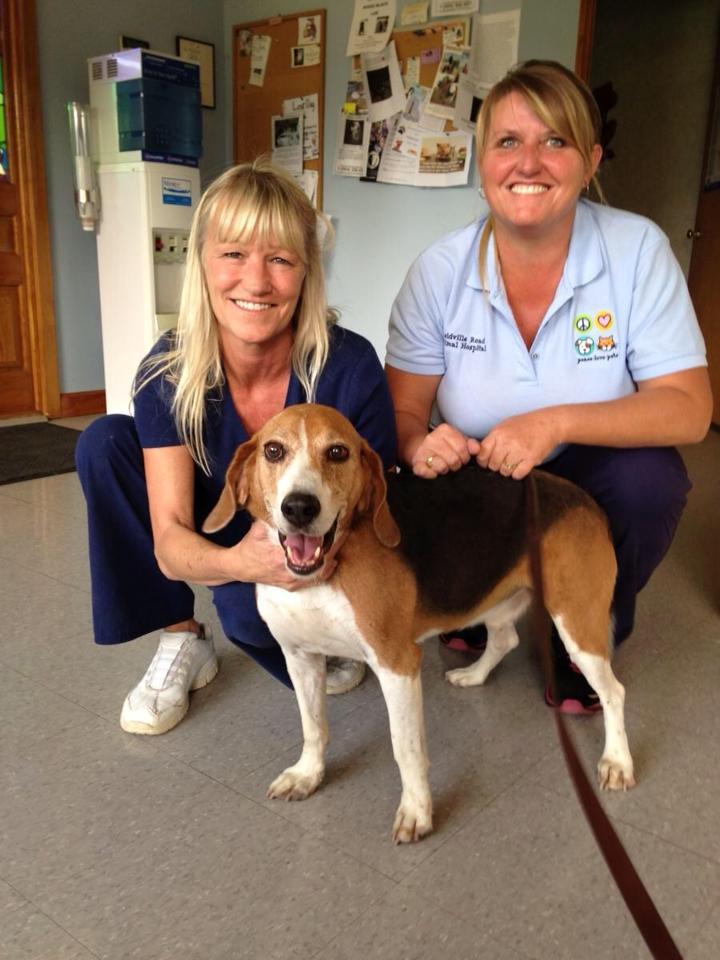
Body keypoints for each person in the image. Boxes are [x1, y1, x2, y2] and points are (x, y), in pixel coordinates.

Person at [385, 60, 712, 713]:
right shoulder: (438, 270)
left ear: (590, 162)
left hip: (592, 461)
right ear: (482, 162)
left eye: (554, 141)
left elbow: (689, 409)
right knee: (410, 477)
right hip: (479, 468)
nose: (528, 162)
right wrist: (420, 443)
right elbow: (402, 411)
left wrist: (554, 423)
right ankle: (471, 600)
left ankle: (582, 629)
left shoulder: (637, 250)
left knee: (652, 483)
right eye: (508, 141)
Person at [76, 158, 396, 735]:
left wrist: (310, 564)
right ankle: (182, 637)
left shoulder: (348, 365)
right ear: (201, 262)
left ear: (307, 271)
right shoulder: (166, 374)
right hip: (221, 523)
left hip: (323, 538)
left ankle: (328, 633)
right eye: (233, 254)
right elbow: (171, 543)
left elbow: (379, 511)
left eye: (280, 259)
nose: (256, 282)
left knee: (248, 619)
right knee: (104, 443)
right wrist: (237, 564)